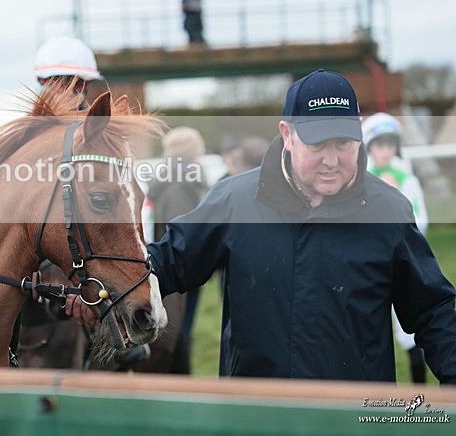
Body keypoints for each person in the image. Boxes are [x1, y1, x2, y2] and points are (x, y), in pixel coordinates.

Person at [68, 69, 456, 383]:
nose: (332, 159)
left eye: (344, 143)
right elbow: (165, 263)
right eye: (318, 144)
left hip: (355, 421)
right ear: (287, 134)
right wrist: (95, 286)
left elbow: (434, 311)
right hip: (255, 416)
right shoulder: (233, 201)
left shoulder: (388, 210)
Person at [363, 112, 429, 383]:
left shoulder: (408, 179)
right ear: (368, 147)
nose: (385, 151)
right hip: (370, 266)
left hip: (401, 264)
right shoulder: (361, 180)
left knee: (410, 332)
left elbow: (421, 219)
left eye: (390, 145)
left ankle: (419, 399)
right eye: (379, 145)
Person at [146, 126, 207, 374]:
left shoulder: (167, 179)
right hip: (181, 266)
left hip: (170, 262)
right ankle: (179, 381)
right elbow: (180, 234)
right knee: (178, 328)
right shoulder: (183, 184)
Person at [34, 35, 104, 109]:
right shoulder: (25, 120)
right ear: (41, 80)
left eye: (79, 84)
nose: (70, 92)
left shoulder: (100, 119)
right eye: (62, 82)